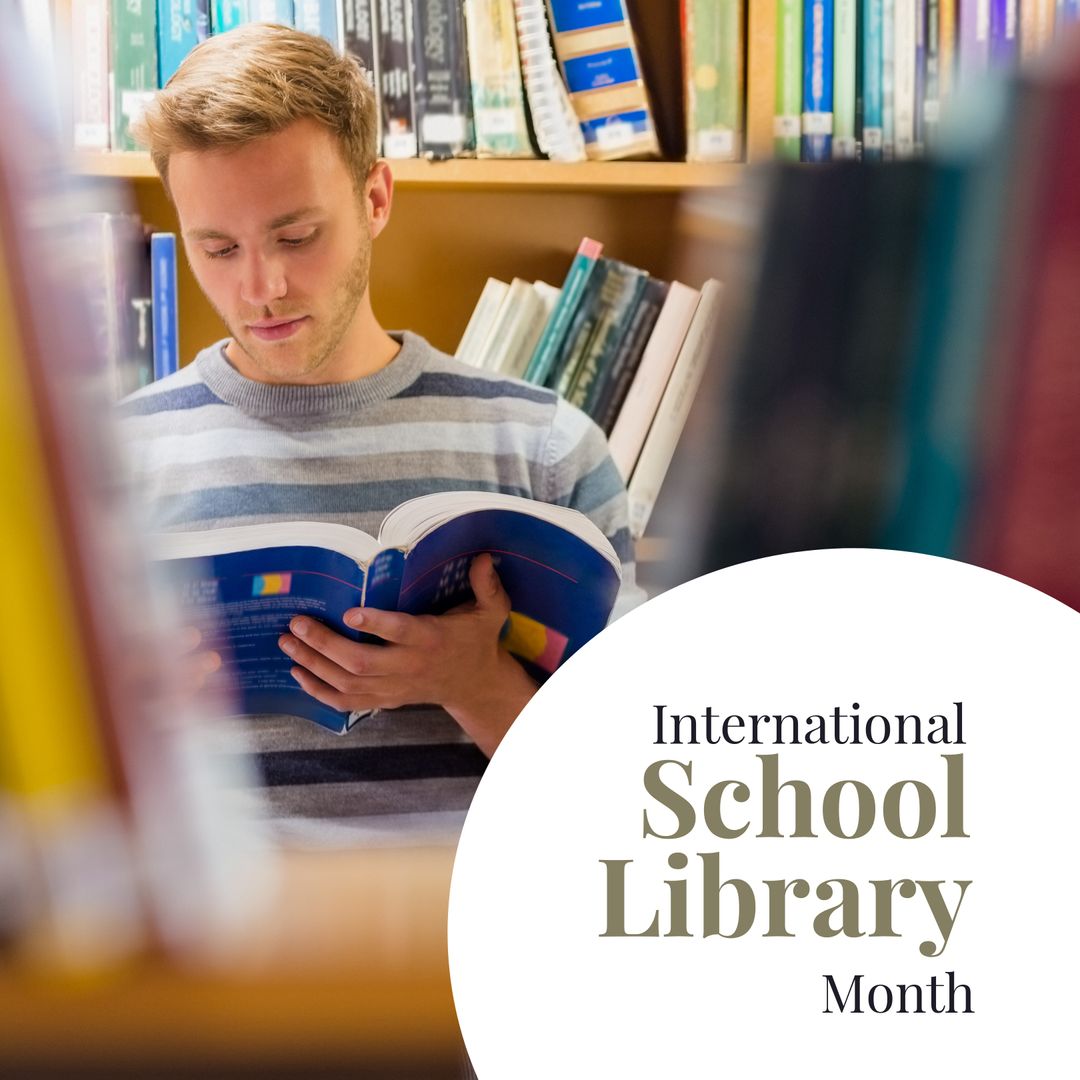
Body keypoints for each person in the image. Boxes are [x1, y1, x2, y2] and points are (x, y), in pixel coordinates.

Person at [118, 23, 644, 840]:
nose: (262, 287)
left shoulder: (543, 449)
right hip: (216, 955)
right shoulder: (110, 463)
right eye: (216, 247)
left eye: (297, 236)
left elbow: (637, 800)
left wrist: (477, 683)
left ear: (375, 199)